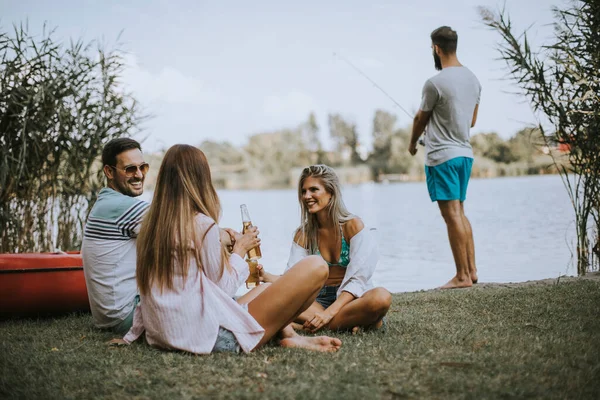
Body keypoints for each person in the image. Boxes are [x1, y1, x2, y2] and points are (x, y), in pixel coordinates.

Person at [112, 145, 342, 354]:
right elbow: (222, 288)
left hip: (165, 333)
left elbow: (149, 290)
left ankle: (291, 337)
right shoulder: (201, 224)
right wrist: (240, 250)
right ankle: (277, 335)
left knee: (265, 288)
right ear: (201, 179)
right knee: (316, 267)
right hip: (212, 337)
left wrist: (133, 334)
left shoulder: (151, 224)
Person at [260, 165, 391, 333]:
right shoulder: (303, 234)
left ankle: (308, 326)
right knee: (266, 294)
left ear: (331, 192)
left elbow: (358, 279)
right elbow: (292, 280)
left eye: (314, 189)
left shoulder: (353, 226)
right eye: (303, 191)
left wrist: (329, 313)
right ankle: (351, 324)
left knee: (381, 297)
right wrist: (265, 276)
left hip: (350, 299)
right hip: (315, 302)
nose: (307, 196)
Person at [408, 26, 481, 289]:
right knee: (460, 211)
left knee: (451, 216)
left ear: (436, 48)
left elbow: (420, 118)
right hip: (464, 155)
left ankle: (461, 276)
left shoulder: (434, 83)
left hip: (443, 157)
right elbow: (471, 121)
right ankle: (471, 271)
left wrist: (412, 144)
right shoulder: (473, 80)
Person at [81, 138, 151, 334]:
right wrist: (231, 239)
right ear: (109, 172)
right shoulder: (120, 206)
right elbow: (184, 229)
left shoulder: (107, 202)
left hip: (113, 314)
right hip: (124, 315)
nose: (138, 175)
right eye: (130, 169)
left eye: (143, 167)